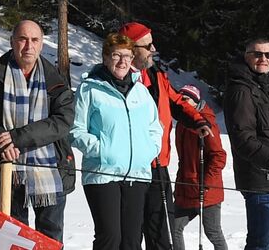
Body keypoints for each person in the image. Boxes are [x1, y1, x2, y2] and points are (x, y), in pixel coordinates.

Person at [0, 20, 76, 241]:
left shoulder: (55, 79)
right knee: (13, 237)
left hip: (50, 169)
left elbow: (63, 120)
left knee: (49, 239)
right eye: (22, 39)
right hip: (7, 168)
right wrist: (0, 141)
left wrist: (16, 139)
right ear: (12, 42)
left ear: (41, 44)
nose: (28, 46)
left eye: (34, 40)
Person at [72, 32, 163, 250]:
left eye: (127, 56)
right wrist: (103, 150)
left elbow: (155, 128)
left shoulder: (141, 91)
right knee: (110, 238)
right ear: (105, 58)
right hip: (103, 174)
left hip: (137, 174)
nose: (122, 61)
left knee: (132, 241)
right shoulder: (89, 89)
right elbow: (75, 130)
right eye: (116, 55)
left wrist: (147, 151)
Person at [120, 22, 205, 250]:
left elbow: (176, 102)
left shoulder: (156, 74)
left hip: (158, 164)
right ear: (130, 48)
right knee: (129, 237)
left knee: (159, 232)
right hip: (129, 169)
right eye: (148, 46)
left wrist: (197, 120)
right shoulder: (115, 78)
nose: (154, 49)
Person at [223, 36, 269, 250]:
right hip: (259, 178)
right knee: (260, 244)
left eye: (268, 55)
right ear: (246, 57)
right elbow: (242, 138)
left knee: (264, 243)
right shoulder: (241, 90)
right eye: (257, 54)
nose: (263, 58)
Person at [170, 84, 229, 250]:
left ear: (195, 102)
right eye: (180, 99)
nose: (182, 102)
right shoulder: (182, 124)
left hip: (207, 191)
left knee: (213, 232)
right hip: (187, 188)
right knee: (174, 227)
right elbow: (185, 160)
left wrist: (206, 184)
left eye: (186, 99)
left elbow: (219, 156)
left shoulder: (206, 122)